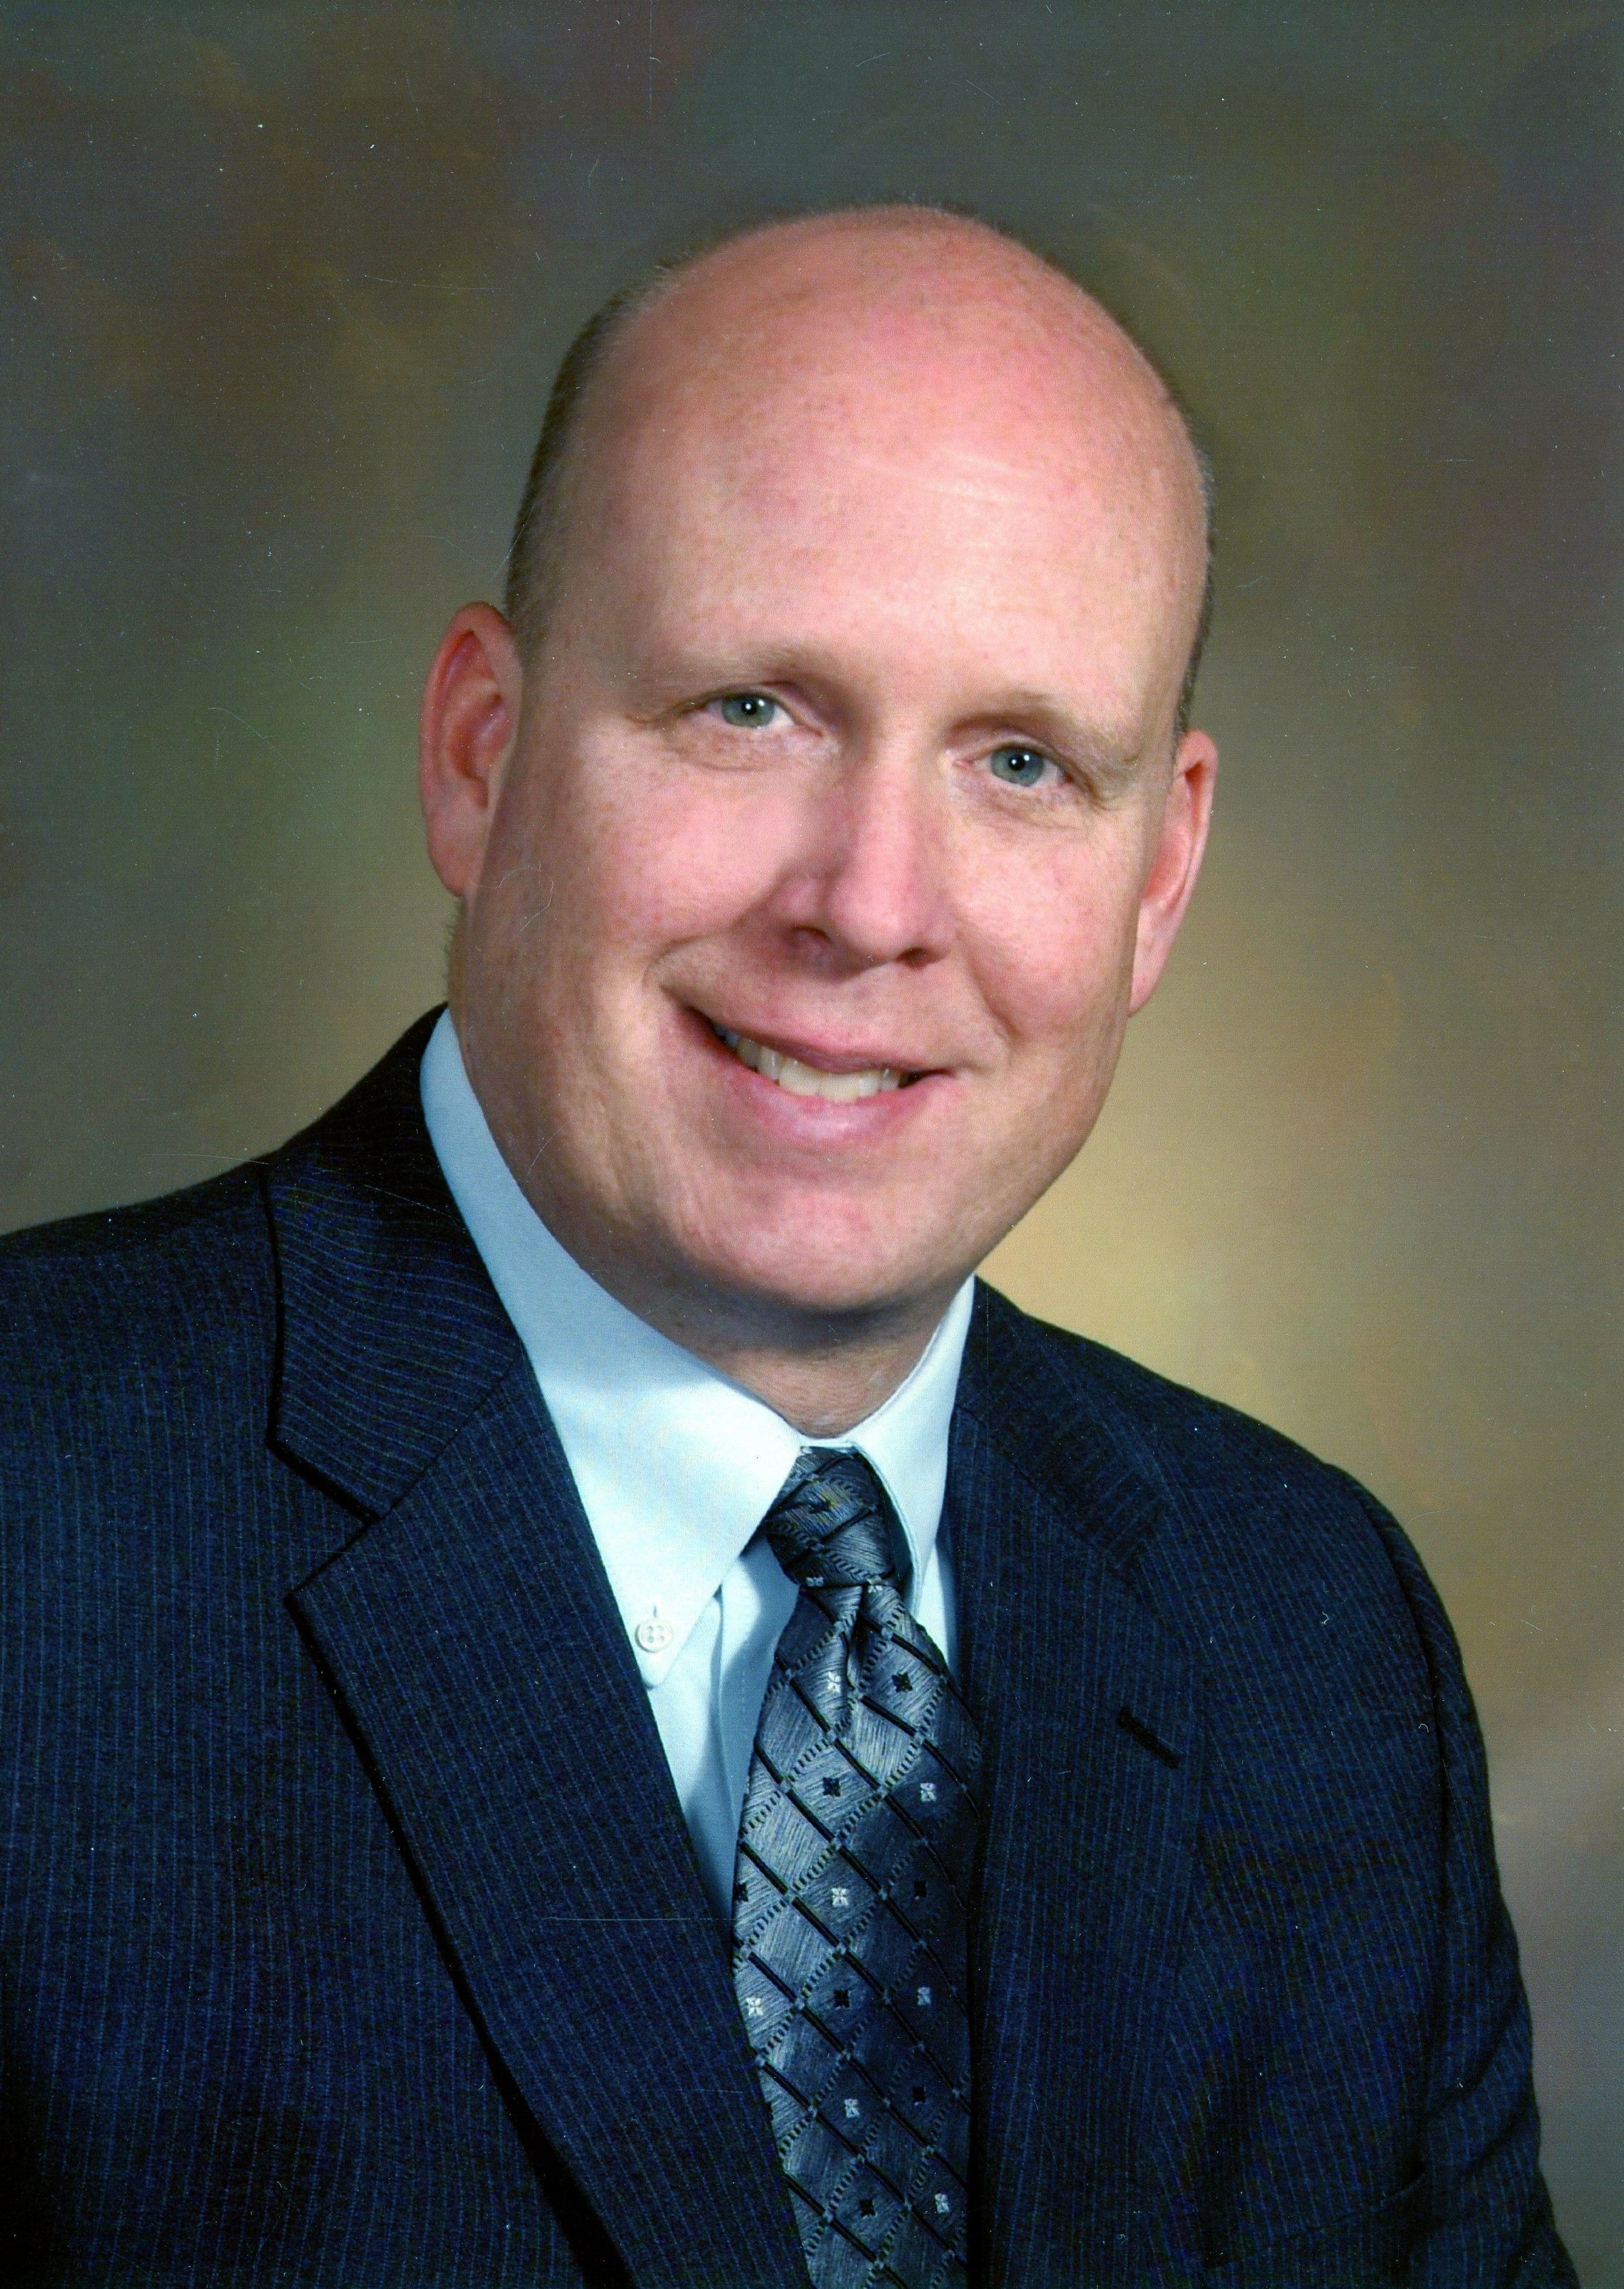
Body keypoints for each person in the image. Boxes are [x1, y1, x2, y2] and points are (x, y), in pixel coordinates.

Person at [0, 205, 1573, 2288]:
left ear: (1160, 876)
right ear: (480, 755)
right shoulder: (38, 1528)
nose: (870, 905)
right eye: (752, 709)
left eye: (1023, 762)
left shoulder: (1311, 1637)